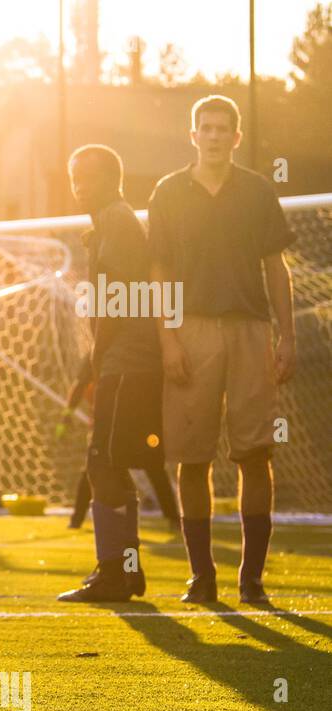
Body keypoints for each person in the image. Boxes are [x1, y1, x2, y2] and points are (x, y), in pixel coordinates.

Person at [149, 95, 296, 605]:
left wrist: (288, 334)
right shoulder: (168, 192)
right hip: (190, 330)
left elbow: (276, 266)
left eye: (222, 129)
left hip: (251, 329)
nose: (213, 136)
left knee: (255, 454)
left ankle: (251, 580)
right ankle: (202, 576)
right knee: (193, 459)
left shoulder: (257, 191)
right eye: (204, 128)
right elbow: (159, 271)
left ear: (236, 137)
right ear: (193, 135)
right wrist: (167, 337)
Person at [56, 145, 164, 602]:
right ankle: (126, 572)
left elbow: (116, 295)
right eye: (74, 177)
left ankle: (114, 574)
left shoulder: (118, 219)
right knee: (110, 463)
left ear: (112, 179)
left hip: (130, 359)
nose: (79, 186)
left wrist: (99, 352)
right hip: (126, 360)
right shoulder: (104, 225)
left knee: (103, 464)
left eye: (88, 177)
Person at [58, 353, 179, 532]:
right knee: (95, 469)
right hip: (112, 422)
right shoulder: (96, 353)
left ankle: (173, 517)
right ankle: (77, 518)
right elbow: (80, 384)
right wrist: (67, 415)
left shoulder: (140, 351)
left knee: (153, 468)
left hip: (137, 420)